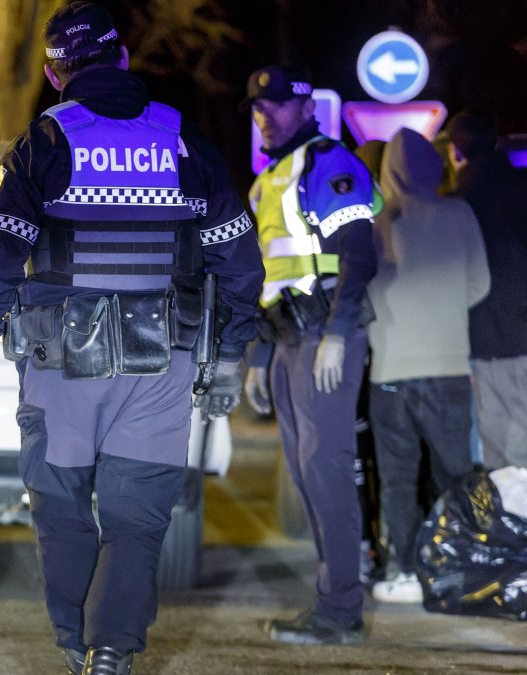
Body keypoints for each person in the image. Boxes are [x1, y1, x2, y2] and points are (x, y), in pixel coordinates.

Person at [0, 4, 264, 673]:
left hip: (61, 364)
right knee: (137, 515)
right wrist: (232, 354)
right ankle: (111, 649)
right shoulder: (184, 141)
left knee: (61, 506)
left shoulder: (43, 144)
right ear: (123, 57)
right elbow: (239, 260)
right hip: (162, 363)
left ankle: (73, 642)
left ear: (52, 72)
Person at [240, 65, 380, 645]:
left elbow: (360, 254)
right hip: (287, 340)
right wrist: (257, 355)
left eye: (275, 104)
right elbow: (270, 275)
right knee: (306, 474)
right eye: (257, 107)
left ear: (305, 107)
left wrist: (340, 333)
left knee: (326, 472)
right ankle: (333, 601)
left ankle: (341, 609)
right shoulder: (268, 179)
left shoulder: (328, 163)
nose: (264, 115)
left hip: (325, 335)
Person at [366, 128, 489, 603]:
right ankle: (460, 561)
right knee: (455, 472)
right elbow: (480, 283)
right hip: (448, 366)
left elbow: (363, 285)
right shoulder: (459, 213)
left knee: (397, 477)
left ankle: (403, 570)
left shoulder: (378, 220)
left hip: (390, 370)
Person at [443, 112, 527, 471]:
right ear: (496, 142)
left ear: (454, 152)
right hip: (522, 330)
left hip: (482, 338)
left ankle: (510, 518)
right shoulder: (522, 187)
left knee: (495, 441)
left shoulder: (453, 202)